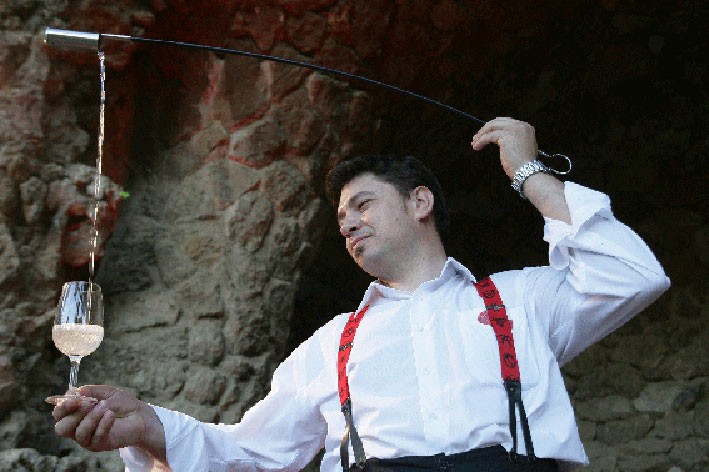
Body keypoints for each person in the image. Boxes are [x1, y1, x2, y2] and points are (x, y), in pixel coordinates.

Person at [50, 117, 670, 471]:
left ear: (419, 202)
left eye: (363, 203)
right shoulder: (331, 345)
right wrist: (149, 427)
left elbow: (630, 274)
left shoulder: (521, 302)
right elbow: (253, 454)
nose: (347, 222)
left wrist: (530, 173)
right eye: (342, 216)